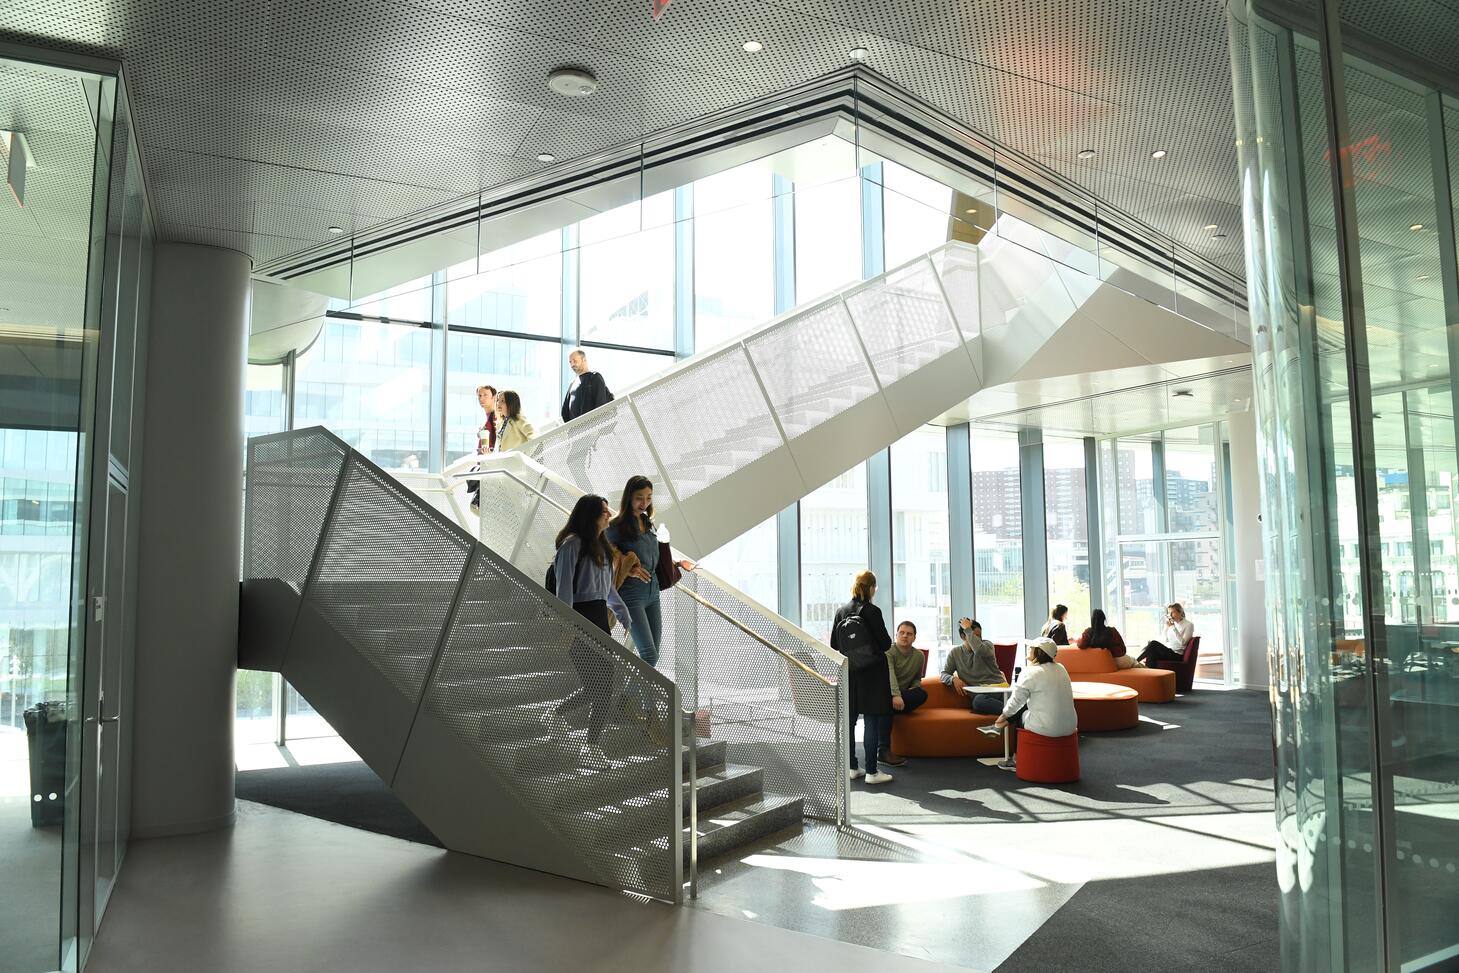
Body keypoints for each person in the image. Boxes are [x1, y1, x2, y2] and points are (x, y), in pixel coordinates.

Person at [547, 493, 635, 768]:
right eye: (604, 512)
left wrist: (625, 617)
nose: (609, 515)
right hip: (580, 618)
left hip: (598, 618)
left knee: (602, 684)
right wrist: (568, 626)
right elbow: (564, 590)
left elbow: (607, 591)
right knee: (599, 683)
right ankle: (588, 743)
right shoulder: (572, 545)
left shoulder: (604, 548)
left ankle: (559, 717)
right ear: (591, 516)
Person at [831, 571, 895, 785]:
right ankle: (872, 772)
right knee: (871, 721)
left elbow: (834, 646)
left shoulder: (841, 611)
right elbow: (885, 644)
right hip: (873, 674)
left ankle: (851, 768)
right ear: (871, 588)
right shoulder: (872, 611)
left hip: (849, 673)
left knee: (849, 722)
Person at [606, 475, 665, 669]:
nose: (644, 502)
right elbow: (603, 556)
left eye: (649, 497)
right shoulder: (615, 526)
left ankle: (635, 698)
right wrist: (627, 569)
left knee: (653, 655)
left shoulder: (648, 523)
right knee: (648, 654)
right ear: (629, 496)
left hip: (653, 593)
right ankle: (626, 697)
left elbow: (651, 555)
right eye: (640, 497)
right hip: (631, 595)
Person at [992, 637, 1077, 767]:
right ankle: (1001, 727)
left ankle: (1015, 759)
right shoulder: (1061, 668)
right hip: (1070, 726)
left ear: (1040, 652)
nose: (1028, 648)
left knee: (1020, 714)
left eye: (1032, 647)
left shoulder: (1030, 672)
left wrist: (1002, 716)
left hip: (1048, 728)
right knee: (1026, 707)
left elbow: (1015, 702)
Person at [879, 621, 929, 767]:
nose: (905, 636)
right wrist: (895, 695)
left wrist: (914, 687)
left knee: (922, 694)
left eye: (909, 634)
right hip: (886, 693)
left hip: (905, 695)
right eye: (902, 633)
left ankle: (892, 708)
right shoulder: (888, 652)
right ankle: (883, 751)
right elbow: (890, 675)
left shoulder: (919, 656)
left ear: (914, 637)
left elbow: (916, 678)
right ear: (896, 635)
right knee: (886, 705)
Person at [943, 617, 1007, 714]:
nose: (979, 639)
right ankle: (1015, 712)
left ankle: (1014, 711)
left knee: (978, 702)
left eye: (980, 636)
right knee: (978, 702)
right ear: (962, 636)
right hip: (981, 696)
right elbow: (944, 674)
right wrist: (953, 679)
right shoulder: (955, 653)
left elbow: (978, 650)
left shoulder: (987, 646)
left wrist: (968, 630)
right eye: (975, 636)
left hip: (998, 690)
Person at [560, 348, 614, 423]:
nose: (572, 365)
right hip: (575, 431)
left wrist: (596, 427)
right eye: (570, 362)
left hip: (590, 428)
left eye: (575, 361)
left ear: (584, 360)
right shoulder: (572, 384)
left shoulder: (595, 377)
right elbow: (565, 412)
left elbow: (600, 404)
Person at [467, 385, 496, 511]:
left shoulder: (496, 417)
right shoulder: (488, 418)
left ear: (494, 397)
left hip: (491, 465)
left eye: (485, 395)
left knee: (480, 507)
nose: (481, 398)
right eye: (479, 395)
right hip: (485, 464)